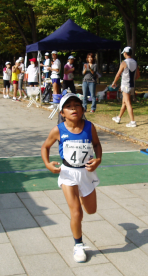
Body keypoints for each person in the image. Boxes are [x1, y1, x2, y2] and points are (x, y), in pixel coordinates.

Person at [41, 93, 102, 263]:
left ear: (83, 109)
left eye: (77, 105)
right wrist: (47, 164)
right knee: (76, 212)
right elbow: (45, 147)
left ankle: (81, 196)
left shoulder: (90, 127)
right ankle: (78, 245)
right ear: (62, 112)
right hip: (67, 173)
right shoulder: (57, 130)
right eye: (69, 106)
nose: (73, 108)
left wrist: (98, 160)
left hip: (86, 173)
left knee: (91, 210)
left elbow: (97, 145)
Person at [111, 47, 140, 127]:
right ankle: (118, 118)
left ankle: (133, 121)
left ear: (125, 53)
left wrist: (114, 82)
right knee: (124, 102)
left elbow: (118, 74)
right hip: (132, 86)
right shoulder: (135, 62)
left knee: (127, 103)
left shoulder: (124, 62)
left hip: (125, 85)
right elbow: (138, 75)